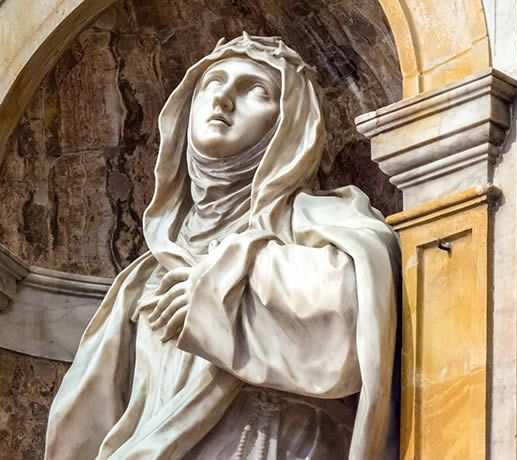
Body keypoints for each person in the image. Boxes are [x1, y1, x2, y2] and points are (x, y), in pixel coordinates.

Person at [44, 34, 399, 460]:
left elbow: (355, 318)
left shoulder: (321, 221)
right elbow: (90, 420)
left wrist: (220, 285)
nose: (224, 99)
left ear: (288, 125)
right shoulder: (141, 279)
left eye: (255, 90)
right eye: (214, 83)